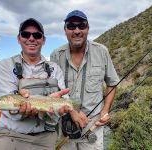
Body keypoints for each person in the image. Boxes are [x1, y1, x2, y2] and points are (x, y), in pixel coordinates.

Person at [0, 18, 71, 150]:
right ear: (19, 38)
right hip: (10, 135)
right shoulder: (5, 66)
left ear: (43, 40)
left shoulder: (54, 68)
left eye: (37, 35)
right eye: (26, 34)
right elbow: (8, 108)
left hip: (45, 137)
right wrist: (18, 111)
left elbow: (64, 99)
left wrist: (61, 108)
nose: (31, 38)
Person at [50, 10, 120, 150]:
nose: (77, 31)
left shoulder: (102, 51)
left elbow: (112, 83)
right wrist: (72, 111)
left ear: (87, 28)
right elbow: (53, 90)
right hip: (64, 126)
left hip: (92, 126)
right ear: (65, 30)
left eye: (81, 25)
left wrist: (105, 110)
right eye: (71, 26)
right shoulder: (56, 55)